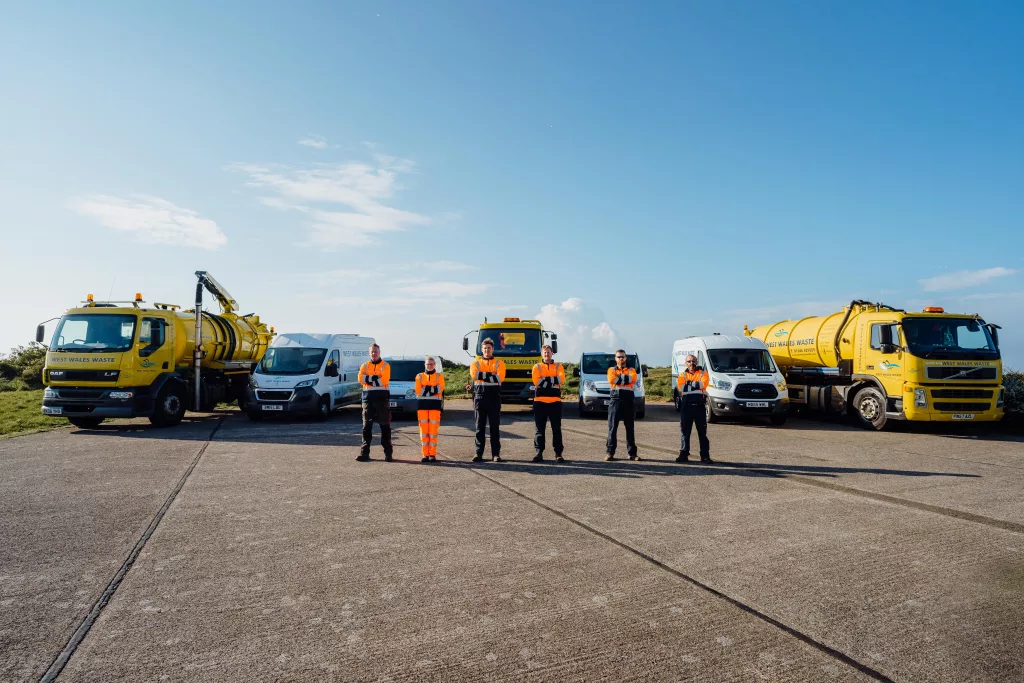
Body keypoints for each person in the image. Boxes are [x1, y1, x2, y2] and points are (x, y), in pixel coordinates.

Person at [465, 338, 506, 462]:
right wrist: (491, 375)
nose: (487, 350)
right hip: (480, 398)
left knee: (494, 428)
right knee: (479, 428)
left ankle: (496, 454)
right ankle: (478, 453)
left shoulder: (500, 363)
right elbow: (475, 375)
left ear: (492, 349)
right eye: (484, 348)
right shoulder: (475, 363)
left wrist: (483, 376)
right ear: (481, 350)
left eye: (489, 348)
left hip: (494, 399)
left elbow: (500, 378)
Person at [356, 344, 393, 462]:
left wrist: (368, 379)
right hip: (367, 400)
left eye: (375, 351)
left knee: (385, 427)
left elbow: (384, 380)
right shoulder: (365, 365)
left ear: (379, 352)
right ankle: (364, 453)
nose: (374, 353)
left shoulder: (386, 366)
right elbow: (360, 379)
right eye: (372, 352)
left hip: (382, 400)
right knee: (366, 427)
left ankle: (388, 454)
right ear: (369, 353)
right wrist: (375, 378)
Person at [531, 344, 566, 463]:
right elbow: (536, 381)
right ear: (542, 354)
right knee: (539, 429)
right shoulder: (537, 367)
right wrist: (552, 381)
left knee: (556, 429)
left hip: (555, 402)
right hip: (540, 402)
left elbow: (561, 379)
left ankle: (558, 453)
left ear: (552, 353)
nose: (546, 354)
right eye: (544, 352)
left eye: (548, 352)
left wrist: (544, 380)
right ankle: (539, 453)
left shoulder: (558, 366)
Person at [676, 354, 711, 463]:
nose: (692, 363)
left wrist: (689, 385)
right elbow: (681, 387)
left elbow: (704, 384)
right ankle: (684, 455)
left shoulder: (703, 373)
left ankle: (705, 456)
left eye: (693, 361)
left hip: (700, 407)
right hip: (686, 407)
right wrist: (696, 384)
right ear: (686, 363)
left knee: (702, 433)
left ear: (696, 361)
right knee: (685, 432)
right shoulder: (682, 375)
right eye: (689, 361)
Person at [605, 350, 639, 461]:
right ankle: (610, 453)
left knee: (630, 428)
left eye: (622, 357)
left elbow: (633, 378)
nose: (621, 359)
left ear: (626, 358)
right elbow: (612, 379)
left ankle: (632, 454)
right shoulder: (611, 370)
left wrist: (619, 379)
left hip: (628, 401)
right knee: (612, 428)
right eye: (618, 357)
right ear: (615, 358)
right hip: (615, 400)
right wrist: (625, 379)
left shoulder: (632, 370)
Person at [414, 356, 445, 463]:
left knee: (433, 431)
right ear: (425, 365)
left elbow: (440, 388)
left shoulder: (439, 376)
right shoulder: (419, 376)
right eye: (428, 364)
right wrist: (433, 389)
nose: (429, 366)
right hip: (422, 407)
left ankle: (432, 454)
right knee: (424, 432)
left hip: (435, 407)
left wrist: (426, 388)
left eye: (431, 364)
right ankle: (425, 454)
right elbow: (418, 391)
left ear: (435, 365)